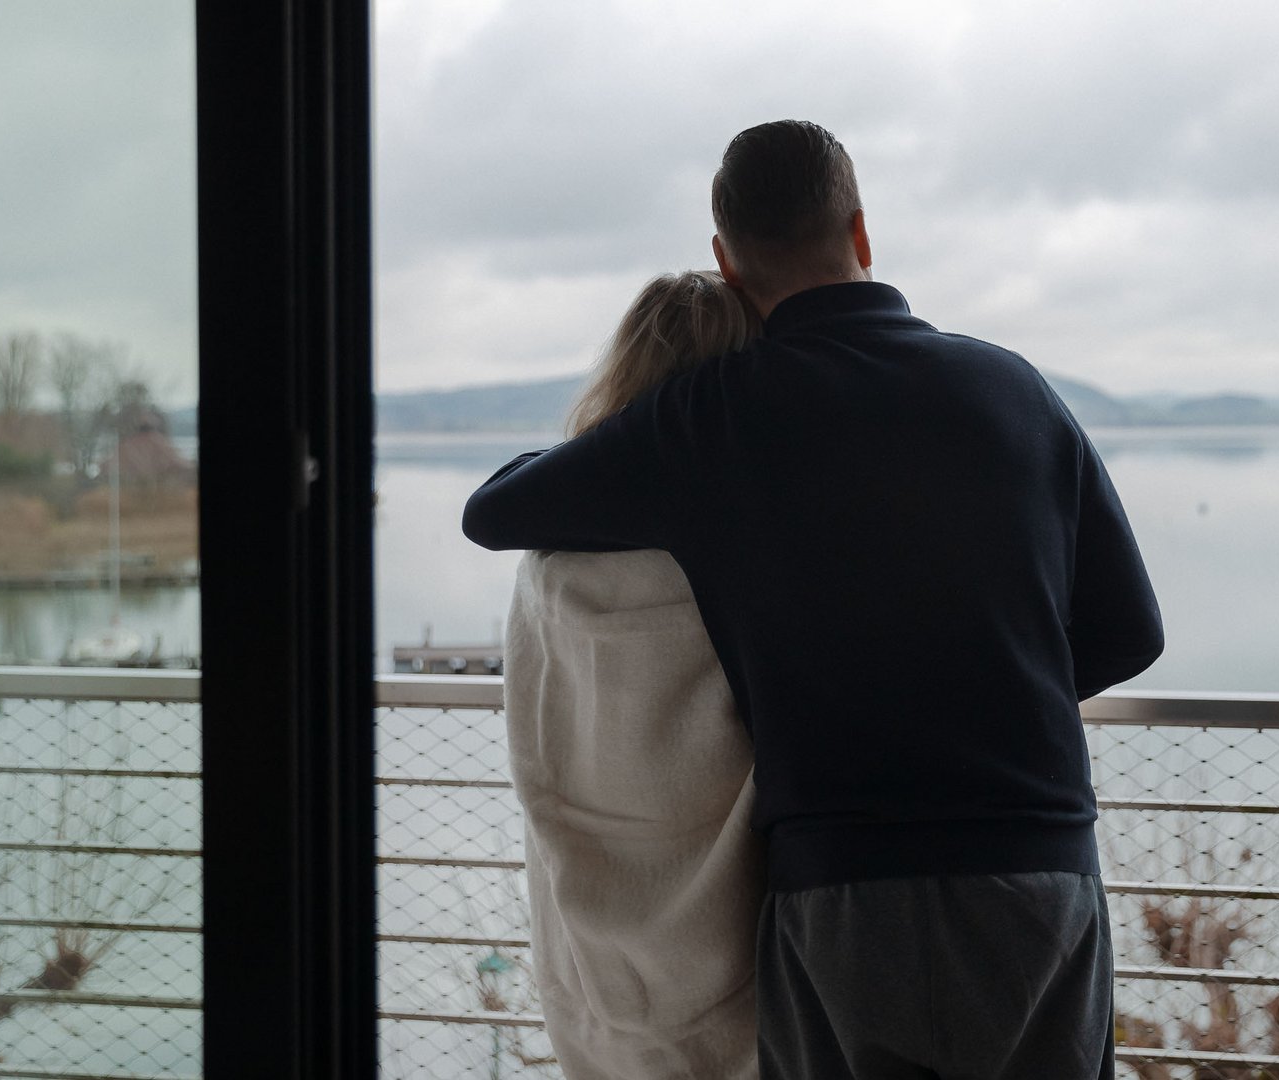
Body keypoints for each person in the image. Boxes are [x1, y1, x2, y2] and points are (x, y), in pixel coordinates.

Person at [465, 120, 1163, 1079]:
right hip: (1045, 869)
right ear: (861, 230)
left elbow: (495, 511)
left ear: (726, 260)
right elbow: (1130, 632)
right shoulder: (1012, 389)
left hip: (850, 886)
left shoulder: (717, 413)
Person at [501, 270, 763, 1080]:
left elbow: (535, 730)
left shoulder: (548, 557)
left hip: (586, 937)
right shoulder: (750, 553)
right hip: (733, 941)